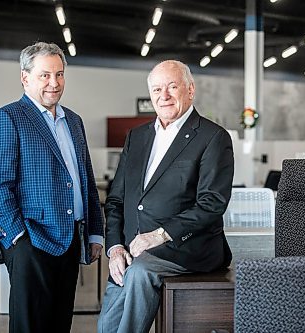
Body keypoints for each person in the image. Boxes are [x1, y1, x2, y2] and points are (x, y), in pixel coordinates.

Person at [97, 60, 234, 333]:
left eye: (172, 87)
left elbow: (212, 204)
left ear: (190, 90)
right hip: (133, 250)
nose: (164, 95)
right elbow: (116, 200)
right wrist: (114, 248)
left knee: (138, 273)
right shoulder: (136, 137)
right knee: (111, 313)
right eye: (157, 89)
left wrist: (159, 235)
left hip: (185, 248)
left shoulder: (212, 137)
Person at [0, 42, 103, 333]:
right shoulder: (7, 118)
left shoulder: (73, 121)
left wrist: (94, 232)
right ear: (25, 77)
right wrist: (18, 235)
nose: (54, 83)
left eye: (60, 75)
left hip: (70, 239)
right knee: (30, 326)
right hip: (30, 240)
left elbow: (85, 178)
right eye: (45, 75)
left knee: (59, 323)